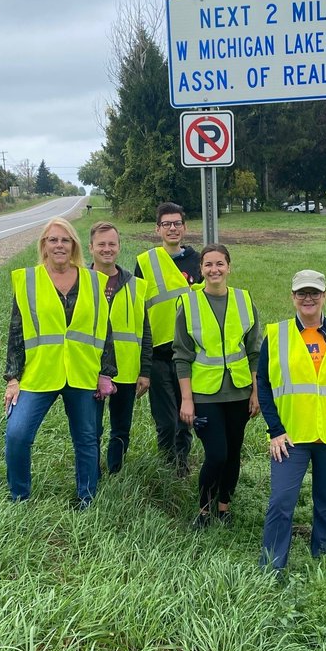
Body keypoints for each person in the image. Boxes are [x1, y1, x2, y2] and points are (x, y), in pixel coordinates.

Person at [257, 269, 326, 573]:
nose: (308, 298)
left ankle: (325, 562)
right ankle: (271, 567)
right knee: (281, 502)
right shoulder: (276, 335)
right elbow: (263, 385)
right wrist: (275, 430)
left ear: (324, 296)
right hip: (291, 436)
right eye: (302, 293)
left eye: (314, 293)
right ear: (292, 297)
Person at [3, 217, 114, 505]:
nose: (59, 245)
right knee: (17, 434)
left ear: (74, 245)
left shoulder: (92, 280)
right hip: (40, 373)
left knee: (87, 439)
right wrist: (13, 379)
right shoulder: (28, 280)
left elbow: (105, 328)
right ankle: (19, 496)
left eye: (65, 240)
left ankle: (86, 497)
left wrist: (106, 373)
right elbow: (16, 330)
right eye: (53, 240)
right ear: (44, 245)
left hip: (82, 371)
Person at [174, 244, 262, 529]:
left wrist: (256, 393)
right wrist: (186, 400)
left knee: (234, 453)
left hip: (238, 392)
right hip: (205, 394)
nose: (214, 269)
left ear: (229, 267)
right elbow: (183, 355)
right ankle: (203, 509)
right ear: (201, 268)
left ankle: (223, 507)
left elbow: (253, 352)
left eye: (220, 264)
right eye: (208, 264)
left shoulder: (244, 300)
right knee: (217, 454)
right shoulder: (188, 304)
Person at [135, 202, 202, 475]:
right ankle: (167, 464)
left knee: (186, 414)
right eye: (167, 224)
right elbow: (138, 308)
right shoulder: (145, 262)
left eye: (177, 223)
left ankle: (182, 464)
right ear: (158, 229)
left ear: (184, 227)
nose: (172, 228)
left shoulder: (198, 261)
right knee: (165, 418)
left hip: (190, 352)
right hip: (159, 353)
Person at [89, 221, 152, 474]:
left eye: (112, 244)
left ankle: (115, 470)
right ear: (91, 247)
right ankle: (91, 471)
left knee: (121, 428)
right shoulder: (80, 282)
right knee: (90, 428)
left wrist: (145, 371)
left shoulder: (135, 285)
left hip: (126, 370)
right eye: (101, 244)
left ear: (119, 247)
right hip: (88, 370)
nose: (107, 249)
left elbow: (145, 332)